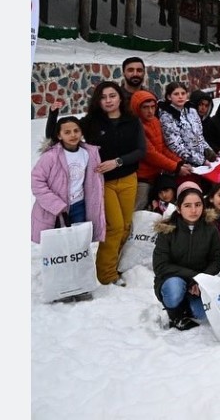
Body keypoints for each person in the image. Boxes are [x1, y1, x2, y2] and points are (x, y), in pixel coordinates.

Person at [76, 81, 146, 286]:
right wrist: (53, 114)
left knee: (125, 226)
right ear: (98, 100)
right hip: (102, 183)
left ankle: (114, 264)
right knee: (114, 227)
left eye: (112, 96)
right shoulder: (90, 122)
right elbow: (62, 134)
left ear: (120, 98)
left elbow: (141, 151)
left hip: (128, 179)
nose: (108, 100)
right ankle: (106, 275)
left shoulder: (132, 121)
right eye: (103, 97)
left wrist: (117, 162)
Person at [31, 115, 106, 255]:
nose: (73, 135)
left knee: (78, 244)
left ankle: (76, 271)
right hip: (55, 209)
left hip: (79, 206)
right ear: (59, 135)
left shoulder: (88, 153)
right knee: (57, 246)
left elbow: (93, 181)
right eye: (67, 132)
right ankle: (59, 273)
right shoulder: (51, 156)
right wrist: (56, 204)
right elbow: (36, 182)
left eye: (76, 131)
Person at [152, 183, 220, 330]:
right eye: (187, 206)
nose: (193, 210)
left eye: (198, 205)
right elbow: (161, 266)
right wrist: (194, 276)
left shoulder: (210, 229)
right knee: (174, 289)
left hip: (198, 283)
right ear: (179, 208)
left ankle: (185, 306)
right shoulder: (167, 230)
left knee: (202, 313)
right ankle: (175, 314)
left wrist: (201, 280)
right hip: (172, 280)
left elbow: (216, 260)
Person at [129, 90, 192, 212]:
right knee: (139, 208)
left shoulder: (155, 121)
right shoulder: (136, 126)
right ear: (137, 108)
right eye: (145, 107)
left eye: (153, 107)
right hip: (143, 177)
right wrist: (176, 167)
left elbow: (162, 147)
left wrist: (179, 162)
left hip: (157, 174)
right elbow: (150, 154)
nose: (150, 111)